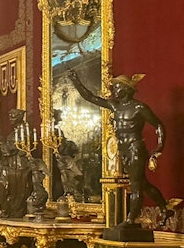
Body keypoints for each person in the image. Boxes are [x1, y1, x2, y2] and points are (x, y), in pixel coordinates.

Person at [68, 71, 168, 226]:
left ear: (127, 88)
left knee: (135, 185)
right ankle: (164, 208)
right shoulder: (115, 105)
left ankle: (130, 220)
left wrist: (159, 146)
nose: (114, 90)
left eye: (117, 87)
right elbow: (90, 97)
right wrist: (76, 81)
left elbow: (158, 125)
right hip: (124, 149)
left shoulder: (139, 107)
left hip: (136, 148)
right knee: (142, 183)